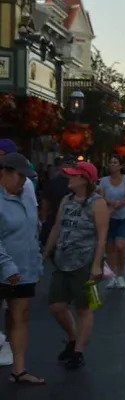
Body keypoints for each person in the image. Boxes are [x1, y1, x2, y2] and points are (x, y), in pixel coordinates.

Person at [43, 161, 109, 370]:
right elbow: (56, 227)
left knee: (83, 308)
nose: (68, 178)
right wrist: (45, 254)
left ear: (84, 179)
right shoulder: (66, 200)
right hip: (63, 260)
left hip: (84, 262)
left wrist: (96, 265)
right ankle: (72, 337)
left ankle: (78, 351)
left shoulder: (97, 203)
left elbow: (101, 237)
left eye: (73, 175)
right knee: (57, 306)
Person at [0, 153, 45, 385]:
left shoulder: (26, 197)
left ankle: (18, 370)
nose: (23, 182)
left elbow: (31, 232)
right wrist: (7, 266)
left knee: (20, 315)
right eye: (19, 176)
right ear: (5, 172)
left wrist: (36, 263)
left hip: (23, 270)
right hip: (4, 270)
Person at [98, 156, 125, 290]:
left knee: (120, 245)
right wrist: (110, 203)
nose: (112, 165)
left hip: (124, 217)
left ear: (120, 166)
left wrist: (121, 203)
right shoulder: (103, 181)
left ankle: (121, 275)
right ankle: (112, 277)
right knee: (110, 249)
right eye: (110, 163)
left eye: (115, 163)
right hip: (109, 217)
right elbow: (101, 196)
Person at [39, 157, 72, 246]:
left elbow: (45, 202)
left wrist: (43, 220)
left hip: (66, 221)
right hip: (56, 219)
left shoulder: (74, 183)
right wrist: (43, 219)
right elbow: (45, 202)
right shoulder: (53, 182)